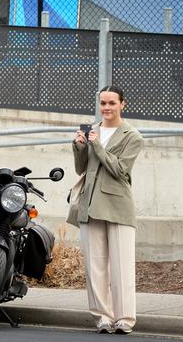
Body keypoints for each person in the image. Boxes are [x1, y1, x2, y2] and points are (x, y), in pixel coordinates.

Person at [69, 85, 144, 335]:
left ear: (123, 104)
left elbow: (120, 171)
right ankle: (102, 317)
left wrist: (98, 146)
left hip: (118, 206)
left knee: (122, 267)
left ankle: (124, 318)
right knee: (95, 266)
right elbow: (82, 169)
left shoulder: (132, 136)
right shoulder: (92, 131)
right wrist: (79, 146)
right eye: (103, 103)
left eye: (112, 103)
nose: (106, 108)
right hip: (90, 205)